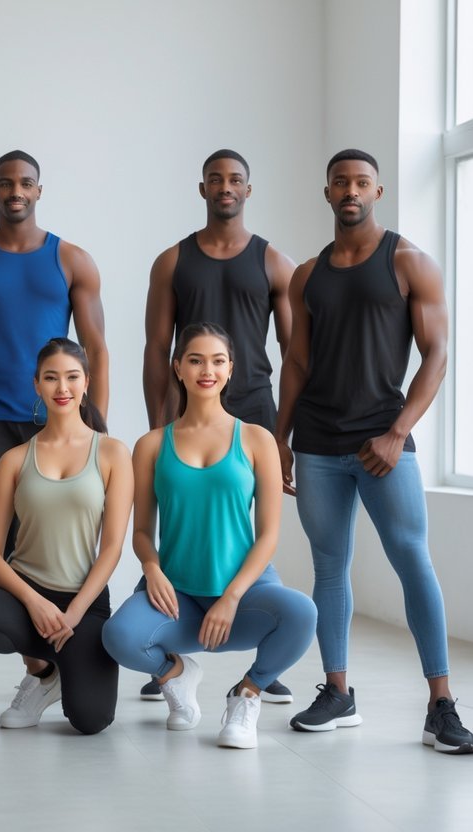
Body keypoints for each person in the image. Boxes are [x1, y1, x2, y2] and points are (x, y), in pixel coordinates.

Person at [275, 149, 472, 754]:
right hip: (316, 442)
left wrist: (395, 433)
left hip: (383, 443)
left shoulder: (409, 261)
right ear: (327, 192)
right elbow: (298, 361)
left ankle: (442, 705)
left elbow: (437, 355)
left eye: (361, 182)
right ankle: (337, 691)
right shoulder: (308, 274)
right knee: (329, 566)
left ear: (378, 192)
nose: (351, 191)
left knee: (413, 560)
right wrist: (279, 439)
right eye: (341, 183)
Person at [0, 149, 109, 702]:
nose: (16, 191)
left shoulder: (72, 260)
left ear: (39, 191)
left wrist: (92, 426)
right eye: (6, 183)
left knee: (43, 541)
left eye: (26, 183)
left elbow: (96, 349)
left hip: (54, 422)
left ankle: (54, 649)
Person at [102, 324, 316, 749]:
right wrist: (151, 567)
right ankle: (175, 674)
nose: (207, 370)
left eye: (218, 361)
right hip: (177, 596)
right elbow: (142, 531)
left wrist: (233, 596)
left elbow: (269, 534)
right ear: (178, 368)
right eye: (196, 360)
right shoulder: (150, 445)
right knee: (118, 636)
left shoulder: (256, 439)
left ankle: (247, 694)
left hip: (244, 596)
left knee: (302, 613)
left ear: (231, 370)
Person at [138, 148, 297, 705]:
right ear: (201, 189)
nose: (225, 187)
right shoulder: (172, 262)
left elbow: (294, 352)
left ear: (248, 190)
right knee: (180, 517)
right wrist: (160, 426)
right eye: (215, 179)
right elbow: (158, 350)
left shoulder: (274, 261)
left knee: (250, 527)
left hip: (255, 406)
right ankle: (160, 639)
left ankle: (262, 646)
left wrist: (284, 435)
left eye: (235, 180)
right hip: (189, 405)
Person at [0, 338, 131, 734]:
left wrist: (74, 613)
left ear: (86, 382)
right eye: (51, 378)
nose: (62, 388)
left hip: (83, 602)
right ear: (36, 385)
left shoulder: (112, 453)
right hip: (24, 595)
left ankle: (59, 669)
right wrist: (33, 601)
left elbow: (111, 547)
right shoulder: (15, 459)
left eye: (71, 377)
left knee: (91, 719)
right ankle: (41, 674)